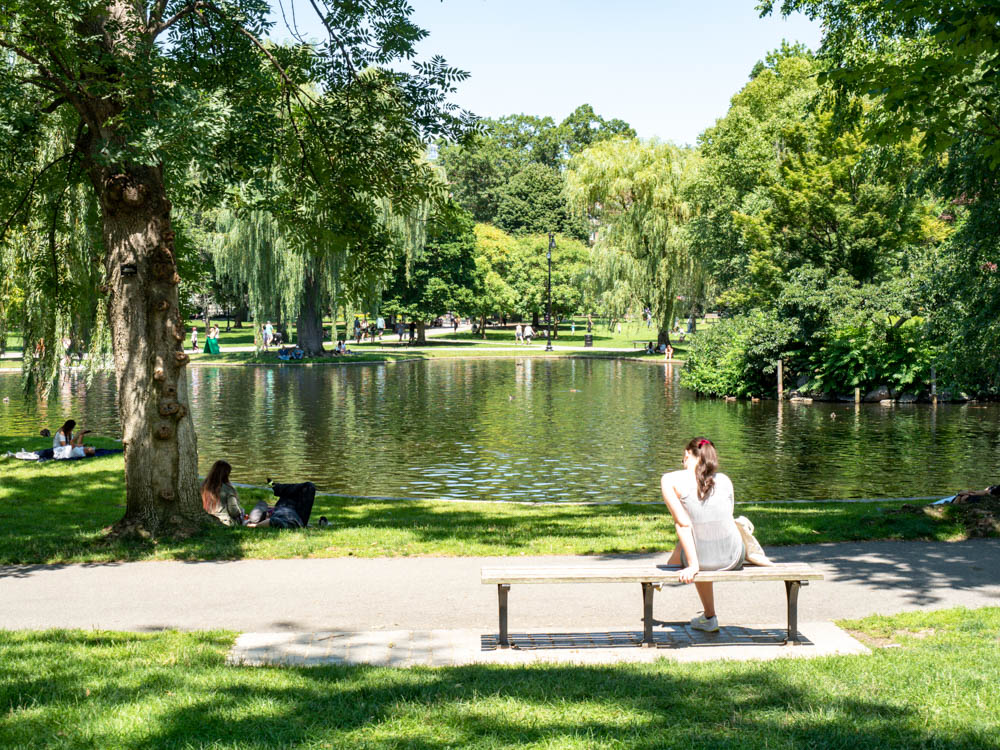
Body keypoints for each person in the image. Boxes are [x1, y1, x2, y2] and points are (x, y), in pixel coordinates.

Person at [661, 437, 745, 632]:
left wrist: (693, 565)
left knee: (691, 534)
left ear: (688, 455)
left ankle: (709, 615)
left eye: (683, 459)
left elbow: (682, 524)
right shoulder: (724, 480)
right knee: (698, 533)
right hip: (734, 556)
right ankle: (708, 618)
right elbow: (724, 521)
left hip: (703, 559)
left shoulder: (670, 480)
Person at [247, 481, 317, 529]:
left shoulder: (274, 516)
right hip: (297, 514)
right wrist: (256, 525)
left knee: (261, 505)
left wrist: (256, 525)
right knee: (309, 486)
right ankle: (276, 487)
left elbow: (272, 521)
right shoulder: (292, 523)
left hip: (282, 507)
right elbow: (273, 521)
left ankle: (275, 486)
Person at [201, 460, 246, 527]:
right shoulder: (228, 489)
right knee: (242, 512)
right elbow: (233, 511)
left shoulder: (202, 486)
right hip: (224, 521)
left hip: (205, 519)